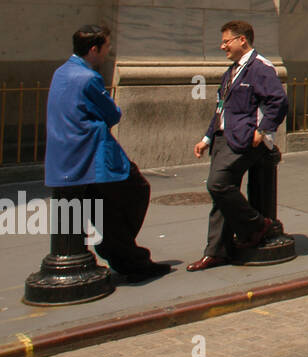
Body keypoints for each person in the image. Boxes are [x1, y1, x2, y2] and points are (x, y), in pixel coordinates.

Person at [44, 25, 169, 283]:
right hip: (92, 156)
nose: (108, 52)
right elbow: (112, 114)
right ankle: (118, 249)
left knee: (105, 208)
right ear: (94, 49)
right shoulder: (88, 78)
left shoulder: (61, 72)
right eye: (106, 47)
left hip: (64, 157)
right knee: (137, 189)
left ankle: (127, 256)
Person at [187, 21, 287, 271]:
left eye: (226, 41)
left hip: (243, 139)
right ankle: (217, 252)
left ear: (242, 40)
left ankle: (257, 225)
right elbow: (220, 109)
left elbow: (278, 101)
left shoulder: (260, 68)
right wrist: (207, 138)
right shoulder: (231, 72)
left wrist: (263, 131)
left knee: (217, 184)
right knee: (221, 193)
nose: (222, 47)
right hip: (222, 139)